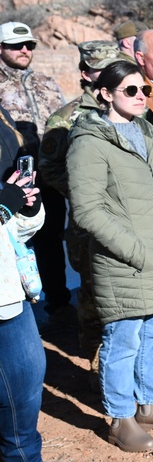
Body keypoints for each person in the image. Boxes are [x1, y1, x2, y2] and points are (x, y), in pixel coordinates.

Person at [67, 59, 153, 452]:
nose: (141, 97)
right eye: (130, 91)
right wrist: (135, 251)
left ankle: (150, 403)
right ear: (105, 94)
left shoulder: (146, 130)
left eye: (143, 90)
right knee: (123, 341)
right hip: (127, 261)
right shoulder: (88, 142)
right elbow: (88, 210)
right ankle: (120, 417)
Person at [39, 41, 132, 387]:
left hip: (129, 219)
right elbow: (50, 169)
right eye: (100, 68)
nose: (109, 73)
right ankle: (97, 367)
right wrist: (91, 190)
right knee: (93, 297)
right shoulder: (65, 119)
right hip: (88, 227)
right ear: (85, 75)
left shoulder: (129, 107)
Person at [0, 21, 71, 323]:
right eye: (17, 45)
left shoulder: (46, 81)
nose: (25, 50)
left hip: (50, 176)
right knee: (16, 244)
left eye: (30, 45)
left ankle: (58, 304)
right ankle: (21, 313)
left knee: (52, 238)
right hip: (11, 180)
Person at [0, 130, 45, 462]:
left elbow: (11, 232)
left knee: (26, 391)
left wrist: (26, 210)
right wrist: (3, 206)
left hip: (9, 293)